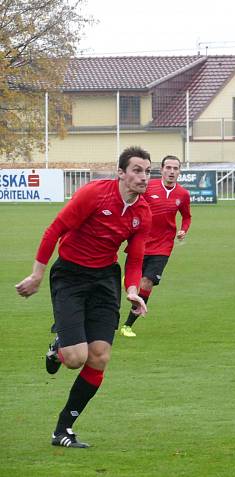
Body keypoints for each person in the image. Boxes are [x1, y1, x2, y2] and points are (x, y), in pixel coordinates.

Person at [15, 146, 153, 448]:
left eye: (147, 171)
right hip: (70, 276)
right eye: (137, 170)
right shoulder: (94, 194)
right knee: (76, 359)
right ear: (121, 173)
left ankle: (63, 429)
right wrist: (37, 274)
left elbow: (135, 259)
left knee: (100, 356)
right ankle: (59, 348)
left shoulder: (143, 212)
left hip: (105, 280)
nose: (144, 177)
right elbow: (54, 230)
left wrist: (132, 291)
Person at [120, 155, 192, 337]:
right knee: (130, 283)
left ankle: (128, 325)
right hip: (141, 242)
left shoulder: (182, 194)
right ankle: (127, 284)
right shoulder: (148, 186)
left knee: (147, 282)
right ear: (161, 170)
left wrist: (183, 230)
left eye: (175, 169)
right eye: (168, 168)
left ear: (179, 172)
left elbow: (187, 216)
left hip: (163, 247)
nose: (172, 172)